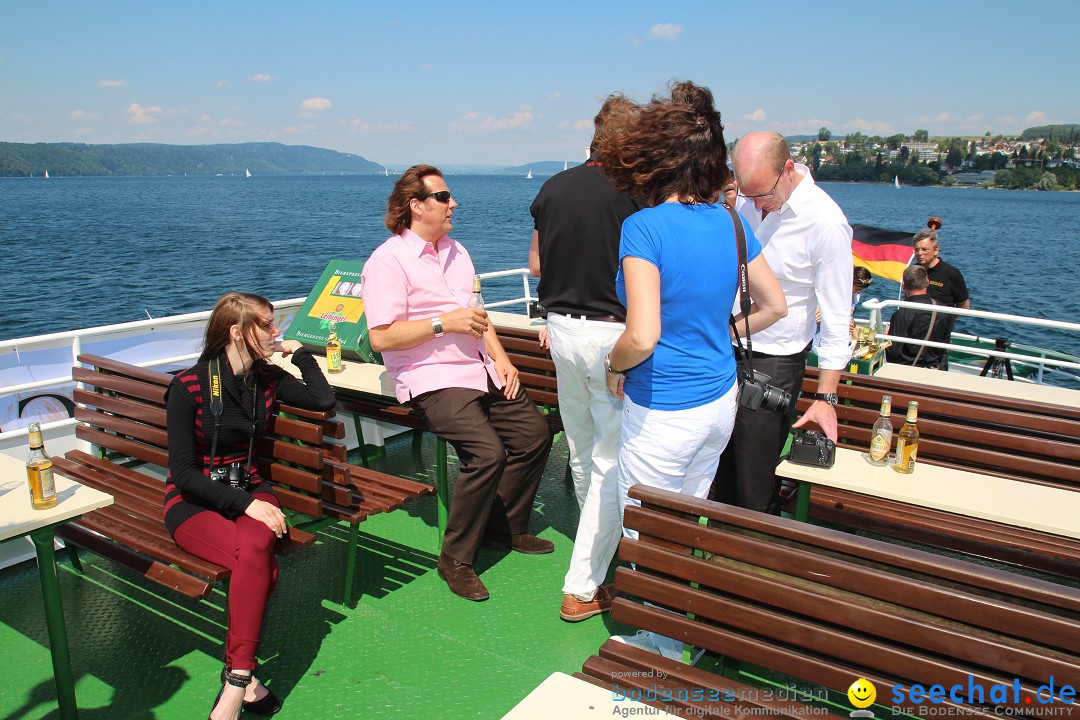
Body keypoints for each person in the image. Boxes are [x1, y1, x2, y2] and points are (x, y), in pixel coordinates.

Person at [598, 82, 787, 658]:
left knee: (647, 529)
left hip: (664, 410)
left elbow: (642, 334)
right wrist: (719, 334)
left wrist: (613, 363)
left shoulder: (646, 228)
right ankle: (678, 631)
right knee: (688, 520)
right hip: (717, 403)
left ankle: (659, 646)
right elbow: (775, 305)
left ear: (652, 158)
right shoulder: (732, 223)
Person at [360, 165, 553, 602]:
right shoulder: (388, 261)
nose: (454, 204)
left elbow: (477, 315)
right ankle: (456, 560)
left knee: (534, 434)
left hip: (479, 369)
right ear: (416, 206)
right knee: (487, 453)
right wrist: (442, 324)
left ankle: (502, 529)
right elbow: (381, 336)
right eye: (444, 197)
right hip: (432, 378)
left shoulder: (457, 251)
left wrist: (503, 361)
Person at [165, 292, 336, 720]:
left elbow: (322, 401)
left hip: (251, 489)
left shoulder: (267, 379)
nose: (275, 331)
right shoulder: (189, 387)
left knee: (257, 551)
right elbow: (184, 474)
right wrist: (245, 506)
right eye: (266, 325)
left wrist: (302, 355)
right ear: (238, 332)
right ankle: (246, 681)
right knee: (262, 564)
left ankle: (236, 679)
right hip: (192, 501)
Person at [528, 95, 643, 623]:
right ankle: (584, 583)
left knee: (580, 447)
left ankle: (589, 540)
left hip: (561, 332)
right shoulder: (638, 195)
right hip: (612, 339)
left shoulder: (552, 189)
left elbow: (536, 263)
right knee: (610, 459)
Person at [711, 131, 853, 515]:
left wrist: (825, 398)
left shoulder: (826, 223)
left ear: (788, 169)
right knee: (714, 466)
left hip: (775, 362)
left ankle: (750, 563)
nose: (756, 204)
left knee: (752, 481)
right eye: (747, 194)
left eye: (763, 195)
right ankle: (711, 555)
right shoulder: (746, 199)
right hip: (727, 349)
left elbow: (838, 321)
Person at [886, 265, 949, 368]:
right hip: (935, 370)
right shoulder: (944, 310)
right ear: (927, 282)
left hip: (908, 370)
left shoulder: (902, 314)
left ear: (903, 285)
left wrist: (886, 338)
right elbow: (944, 348)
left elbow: (893, 353)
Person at [912, 227, 969, 333]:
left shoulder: (951, 274)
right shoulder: (912, 271)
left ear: (936, 250)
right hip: (914, 328)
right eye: (916, 249)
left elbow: (963, 305)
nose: (919, 253)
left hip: (939, 331)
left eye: (924, 249)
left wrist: (945, 321)